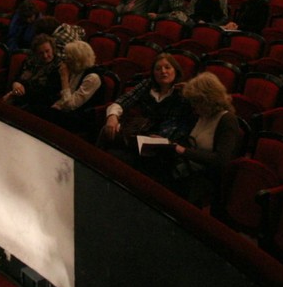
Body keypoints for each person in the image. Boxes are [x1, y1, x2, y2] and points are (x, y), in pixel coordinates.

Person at [167, 73, 245, 206]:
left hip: (205, 177)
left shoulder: (227, 120)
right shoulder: (203, 114)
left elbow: (221, 160)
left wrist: (183, 151)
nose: (194, 108)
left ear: (208, 100)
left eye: (196, 103)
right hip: (187, 167)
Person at [99, 54, 190, 154]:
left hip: (164, 140)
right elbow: (124, 100)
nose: (163, 71)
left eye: (167, 67)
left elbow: (182, 125)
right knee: (107, 132)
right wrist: (112, 117)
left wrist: (167, 141)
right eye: (158, 69)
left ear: (176, 71)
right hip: (141, 132)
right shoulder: (147, 85)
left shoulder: (183, 93)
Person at [39, 41, 102, 133]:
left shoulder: (93, 78)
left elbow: (70, 105)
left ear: (77, 60)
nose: (65, 60)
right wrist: (57, 105)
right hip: (65, 113)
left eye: (68, 58)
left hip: (81, 119)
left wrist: (64, 78)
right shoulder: (75, 70)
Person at [5, 34, 61, 111]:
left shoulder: (59, 67)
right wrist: (16, 84)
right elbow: (18, 77)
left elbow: (46, 95)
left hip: (38, 106)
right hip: (19, 96)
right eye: (41, 53)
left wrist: (15, 95)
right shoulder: (30, 61)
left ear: (53, 49)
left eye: (47, 51)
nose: (45, 56)